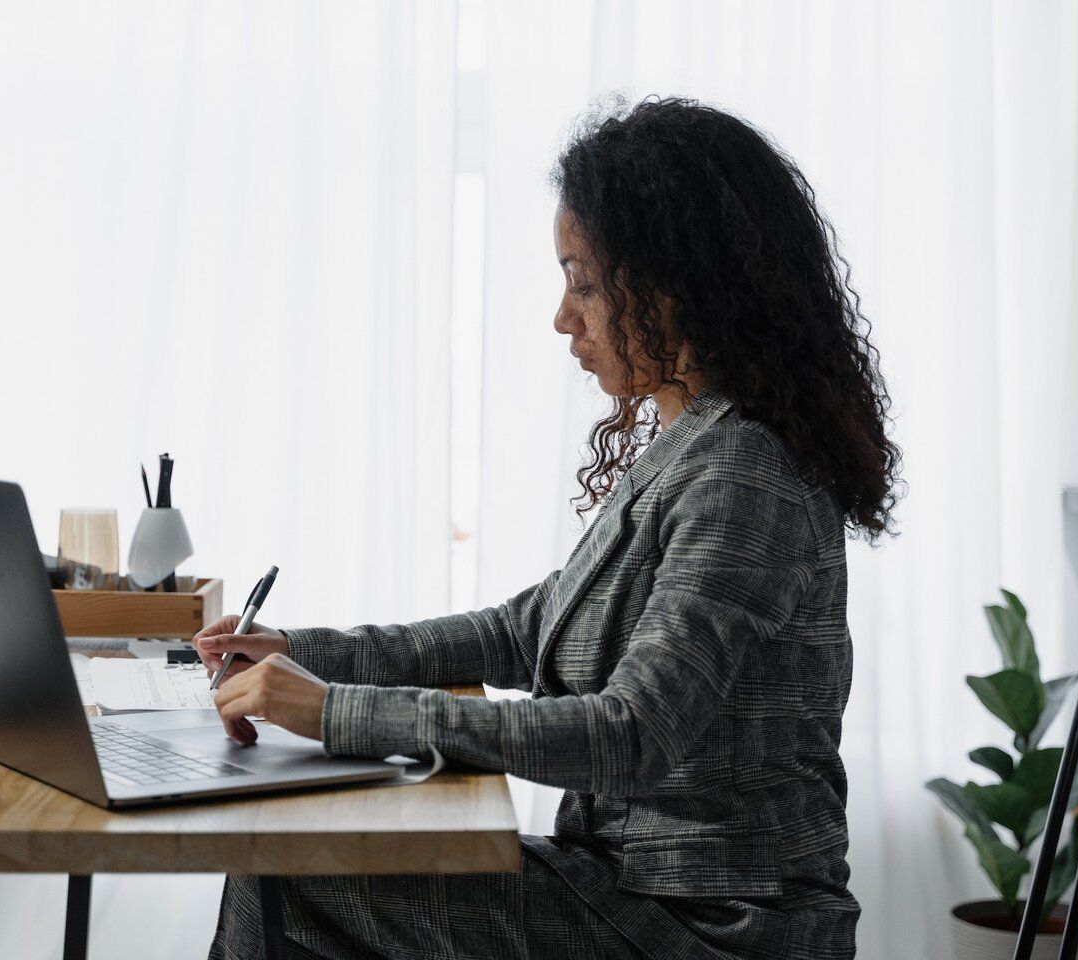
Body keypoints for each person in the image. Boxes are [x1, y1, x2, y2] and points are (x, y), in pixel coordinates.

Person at [197, 95, 901, 960]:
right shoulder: (696, 445)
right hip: (631, 892)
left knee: (282, 871)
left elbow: (630, 734)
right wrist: (303, 654)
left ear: (675, 287)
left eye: (585, 282)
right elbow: (524, 630)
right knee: (286, 867)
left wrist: (337, 711)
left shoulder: (744, 474)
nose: (564, 317)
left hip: (713, 930)